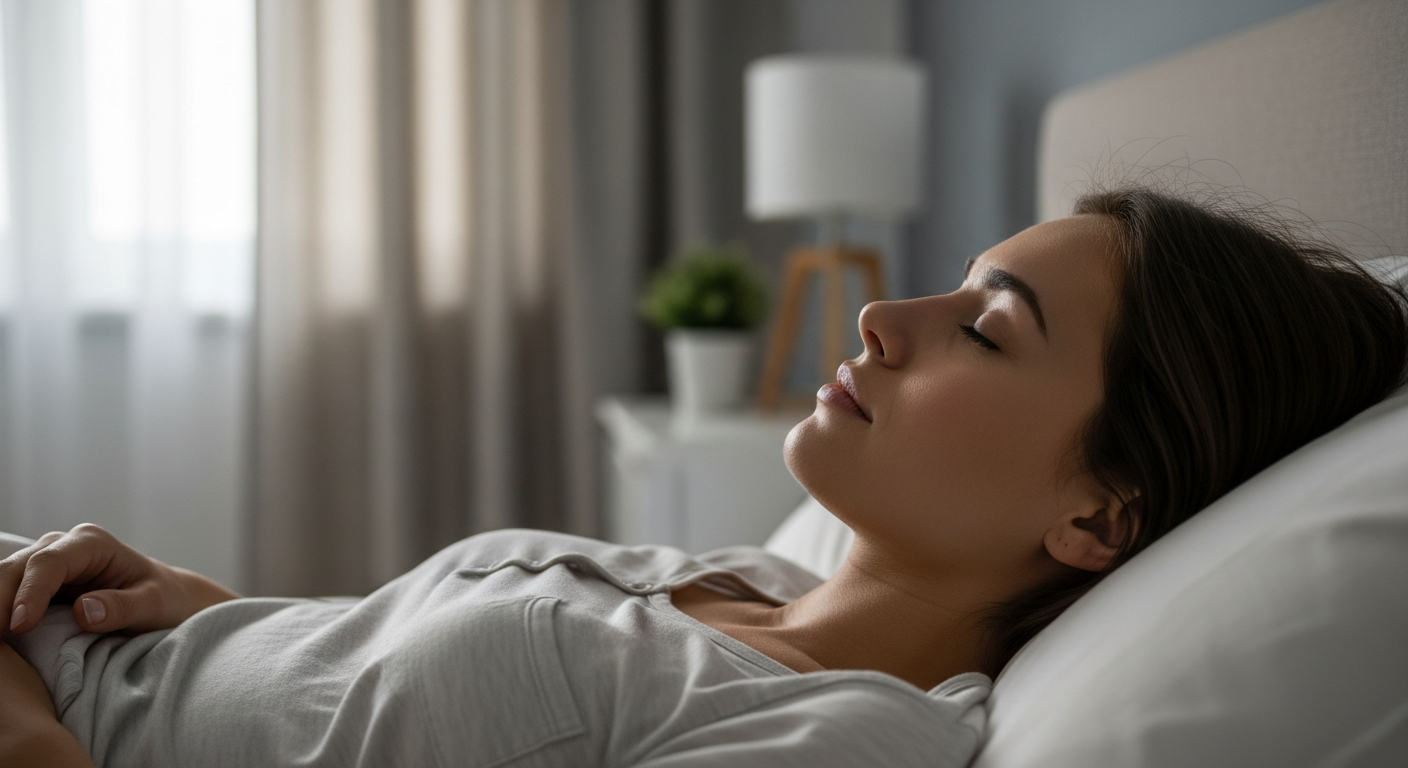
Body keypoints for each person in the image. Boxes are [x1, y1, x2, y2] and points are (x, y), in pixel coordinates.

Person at [2, 188, 1405, 768]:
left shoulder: (846, 739)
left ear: (1100, 515)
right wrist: (212, 618)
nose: (881, 319)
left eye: (984, 329)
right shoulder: (743, 584)